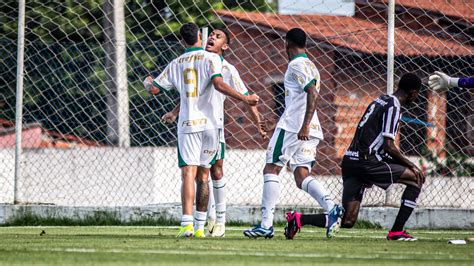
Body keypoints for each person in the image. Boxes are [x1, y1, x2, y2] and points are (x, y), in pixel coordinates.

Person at [144, 23, 259, 238]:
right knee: (204, 176)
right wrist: (245, 99)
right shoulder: (212, 59)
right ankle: (200, 226)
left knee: (188, 173)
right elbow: (216, 83)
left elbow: (154, 89)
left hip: (188, 125)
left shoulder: (175, 63)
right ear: (200, 36)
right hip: (211, 125)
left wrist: (147, 81)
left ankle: (188, 224)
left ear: (181, 41)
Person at [243, 28, 343, 239]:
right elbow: (299, 101)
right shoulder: (311, 65)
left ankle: (266, 225)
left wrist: (303, 125)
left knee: (271, 168)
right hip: (307, 128)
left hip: (295, 128)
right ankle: (332, 207)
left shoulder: (296, 65)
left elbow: (312, 93)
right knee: (301, 176)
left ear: (287, 43)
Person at [328, 73, 424, 241]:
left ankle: (299, 219)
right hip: (368, 162)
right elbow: (389, 146)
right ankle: (396, 232)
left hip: (350, 160)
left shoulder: (381, 100)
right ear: (413, 92)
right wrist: (412, 165)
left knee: (348, 220)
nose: (417, 98)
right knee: (416, 178)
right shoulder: (394, 106)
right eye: (417, 94)